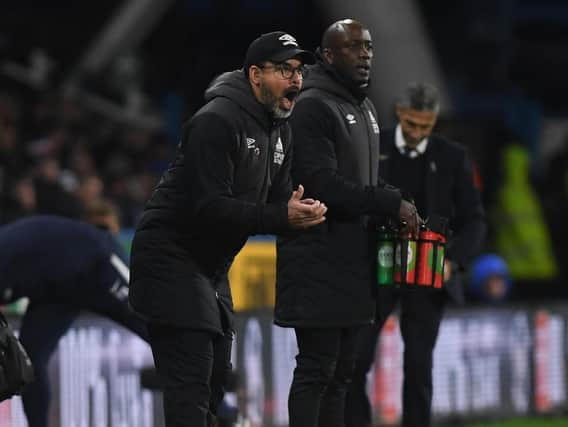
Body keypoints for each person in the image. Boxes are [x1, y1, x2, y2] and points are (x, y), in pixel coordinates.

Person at [128, 31, 327, 426]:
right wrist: (282, 217)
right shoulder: (216, 122)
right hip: (169, 258)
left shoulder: (280, 131)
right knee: (192, 387)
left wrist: (307, 215)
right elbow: (210, 208)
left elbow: (278, 205)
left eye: (299, 71)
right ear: (255, 74)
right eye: (284, 70)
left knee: (217, 379)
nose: (296, 80)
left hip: (211, 266)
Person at [274, 20, 421, 427]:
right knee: (317, 369)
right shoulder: (312, 106)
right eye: (353, 47)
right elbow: (321, 185)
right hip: (316, 257)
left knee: (342, 373)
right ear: (328, 55)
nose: (365, 54)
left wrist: (398, 198)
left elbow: (364, 183)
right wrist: (388, 201)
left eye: (369, 47)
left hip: (354, 259)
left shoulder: (365, 107)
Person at [345, 83, 486, 427]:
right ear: (399, 115)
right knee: (353, 364)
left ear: (433, 122)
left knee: (419, 367)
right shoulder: (374, 146)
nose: (416, 133)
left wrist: (455, 261)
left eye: (425, 126)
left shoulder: (452, 157)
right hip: (378, 271)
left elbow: (475, 219)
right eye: (411, 125)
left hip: (429, 273)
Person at [0, 200, 147, 427]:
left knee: (156, 330)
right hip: (54, 290)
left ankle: (215, 400)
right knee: (31, 360)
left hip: (96, 264)